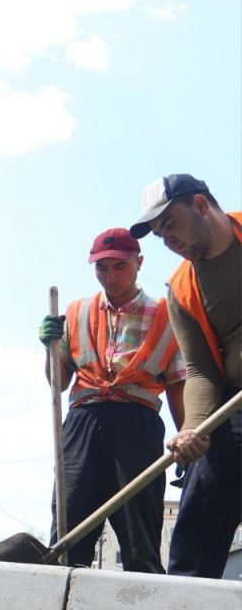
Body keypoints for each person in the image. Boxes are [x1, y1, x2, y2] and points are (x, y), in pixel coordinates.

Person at [38, 227, 185, 572]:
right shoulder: (76, 312)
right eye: (102, 268)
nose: (111, 277)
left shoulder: (166, 315)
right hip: (82, 424)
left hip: (137, 426)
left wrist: (187, 435)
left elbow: (178, 385)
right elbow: (59, 384)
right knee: (68, 538)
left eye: (120, 266)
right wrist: (50, 348)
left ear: (139, 263)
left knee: (140, 542)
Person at [129, 173, 241, 579]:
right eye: (160, 235)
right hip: (236, 402)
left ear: (200, 205)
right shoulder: (181, 290)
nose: (168, 240)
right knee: (203, 498)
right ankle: (186, 596)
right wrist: (195, 427)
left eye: (170, 224)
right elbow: (200, 370)